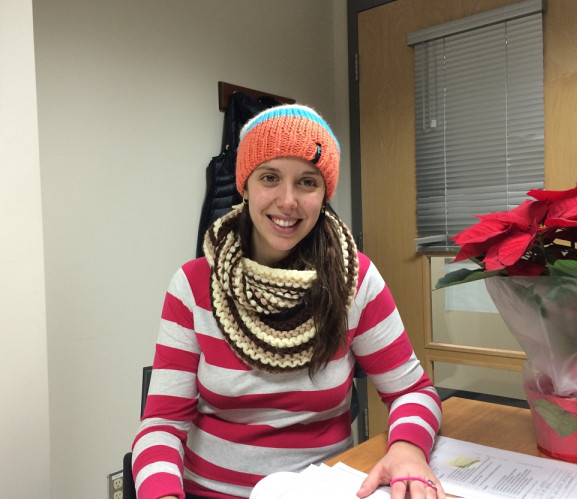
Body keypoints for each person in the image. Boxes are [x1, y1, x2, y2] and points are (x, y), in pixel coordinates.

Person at [131, 104, 445, 499]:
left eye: (307, 182)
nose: (288, 200)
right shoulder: (193, 286)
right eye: (270, 177)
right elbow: (161, 424)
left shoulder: (356, 280)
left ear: (325, 194)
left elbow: (412, 392)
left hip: (322, 490)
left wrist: (408, 449)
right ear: (245, 186)